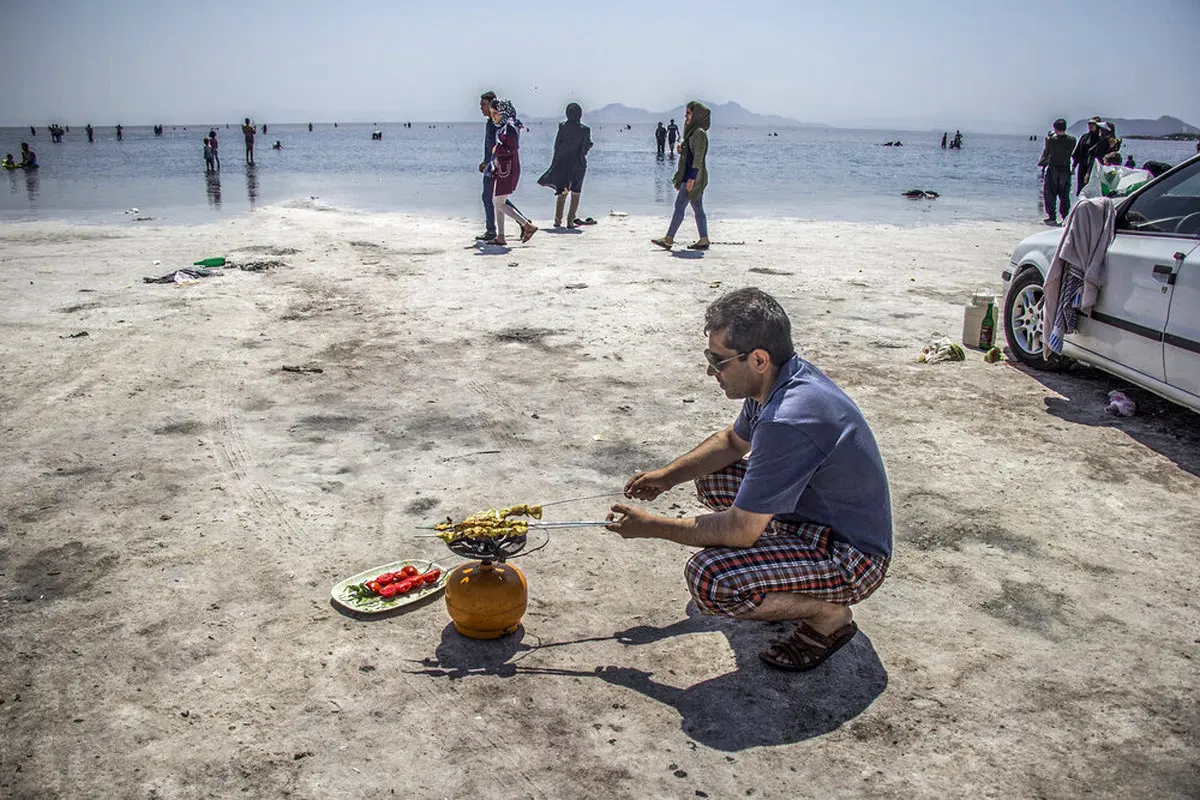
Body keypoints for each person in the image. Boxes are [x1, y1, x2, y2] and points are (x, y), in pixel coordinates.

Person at [606, 287, 892, 672]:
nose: (710, 370)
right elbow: (731, 443)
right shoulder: (776, 381)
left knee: (711, 578)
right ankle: (783, 568)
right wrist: (667, 476)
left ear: (758, 358)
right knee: (712, 478)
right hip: (813, 521)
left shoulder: (788, 418)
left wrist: (652, 526)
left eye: (718, 360)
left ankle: (828, 617)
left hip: (852, 557)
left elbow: (740, 530)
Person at [651, 101, 711, 251]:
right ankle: (704, 239)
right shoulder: (692, 132)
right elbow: (690, 153)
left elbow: (697, 158)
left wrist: (691, 178)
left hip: (693, 177)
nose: (686, 116)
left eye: (689, 113)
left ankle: (669, 239)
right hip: (690, 176)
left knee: (679, 206)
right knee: (697, 208)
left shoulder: (699, 133)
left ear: (697, 115)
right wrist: (682, 147)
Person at [487, 99, 537, 246]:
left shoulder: (509, 128)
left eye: (495, 114)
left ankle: (527, 225)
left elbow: (512, 148)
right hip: (503, 168)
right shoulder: (505, 127)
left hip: (507, 169)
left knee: (498, 202)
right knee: (498, 202)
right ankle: (501, 236)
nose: (493, 117)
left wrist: (497, 150)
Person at [537, 102, 593, 229]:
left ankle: (557, 220)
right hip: (578, 164)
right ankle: (570, 221)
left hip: (563, 163)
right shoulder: (585, 130)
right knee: (576, 192)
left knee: (562, 191)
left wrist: (555, 162)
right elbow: (584, 149)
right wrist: (589, 145)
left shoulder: (562, 126)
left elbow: (557, 146)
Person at [1038, 118, 1076, 226]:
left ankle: (1052, 217)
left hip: (1053, 169)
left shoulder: (1051, 140)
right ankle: (1065, 217)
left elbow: (1048, 150)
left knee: (1050, 194)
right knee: (1064, 195)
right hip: (1065, 169)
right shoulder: (1072, 140)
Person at [476, 90, 499, 242]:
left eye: (483, 105)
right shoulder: (490, 122)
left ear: (491, 105)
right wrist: (485, 161)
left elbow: (498, 145)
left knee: (488, 197)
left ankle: (491, 231)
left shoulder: (495, 123)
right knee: (497, 198)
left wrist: (490, 162)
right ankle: (523, 222)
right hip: (490, 164)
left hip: (494, 166)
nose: (481, 108)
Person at [1072, 116, 1103, 194]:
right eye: (1089, 124)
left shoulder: (1101, 139)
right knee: (1081, 190)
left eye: (1093, 124)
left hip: (1095, 169)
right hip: (1082, 167)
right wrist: (1073, 166)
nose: (1091, 126)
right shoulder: (1084, 137)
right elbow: (1077, 152)